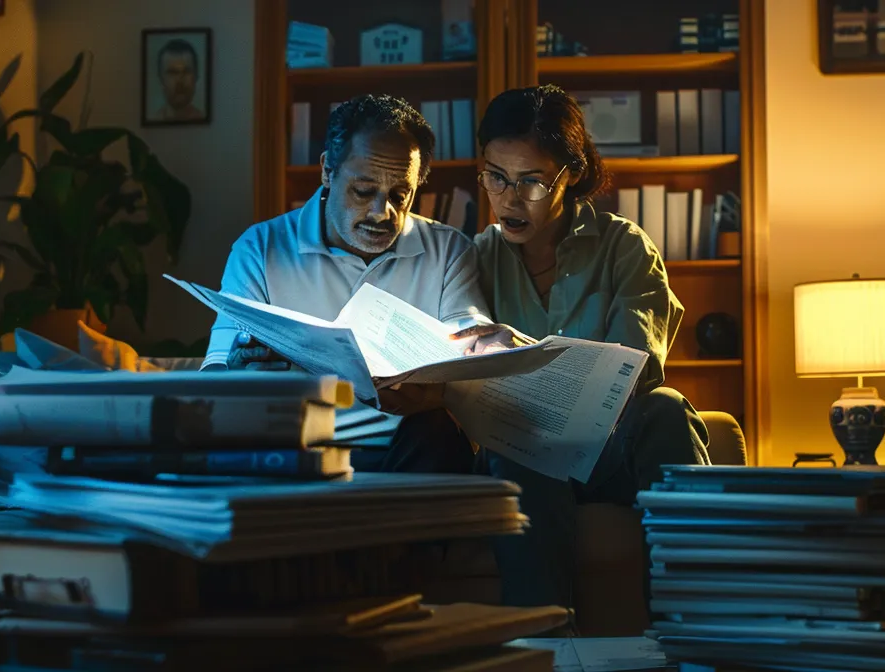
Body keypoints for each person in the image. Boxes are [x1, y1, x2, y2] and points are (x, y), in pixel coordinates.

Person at [456, 84, 711, 609]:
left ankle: (696, 622)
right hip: (521, 454)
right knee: (516, 441)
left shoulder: (624, 245)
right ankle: (546, 640)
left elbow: (638, 370)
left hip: (608, 452)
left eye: (530, 181)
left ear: (569, 174)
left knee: (665, 409)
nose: (508, 198)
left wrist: (527, 356)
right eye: (496, 177)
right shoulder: (478, 256)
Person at [202, 94, 483, 473]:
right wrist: (238, 370)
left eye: (400, 195)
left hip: (405, 446)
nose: (381, 213)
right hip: (297, 442)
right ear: (327, 171)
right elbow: (217, 367)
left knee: (438, 432)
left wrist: (448, 383)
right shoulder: (261, 248)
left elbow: (469, 339)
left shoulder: (448, 250)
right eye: (363, 191)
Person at [154, 38, 204, 122]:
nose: (180, 81)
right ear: (161, 78)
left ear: (196, 76)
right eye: (172, 73)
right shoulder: (154, 119)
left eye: (187, 71)